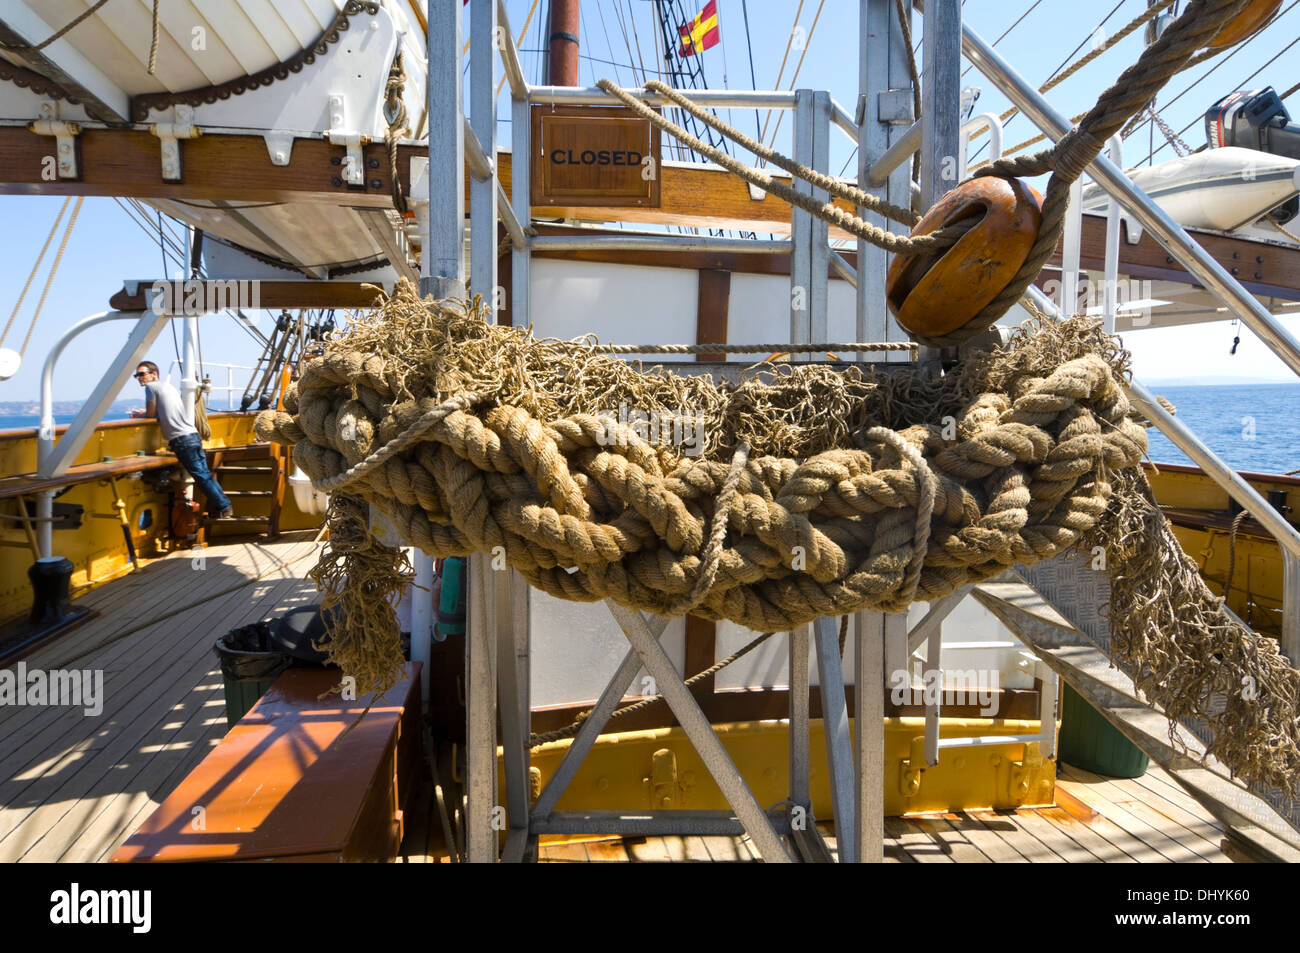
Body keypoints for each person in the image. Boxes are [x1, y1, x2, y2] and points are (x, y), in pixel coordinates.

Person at [130, 361, 233, 519]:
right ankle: (220, 507)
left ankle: (224, 507)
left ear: (154, 374)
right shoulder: (168, 387)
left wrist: (138, 415)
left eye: (142, 374)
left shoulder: (151, 388)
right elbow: (164, 409)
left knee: (201, 476)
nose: (139, 378)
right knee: (204, 475)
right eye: (136, 375)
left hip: (181, 440)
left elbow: (151, 415)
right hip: (192, 435)